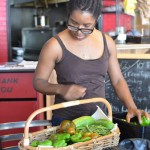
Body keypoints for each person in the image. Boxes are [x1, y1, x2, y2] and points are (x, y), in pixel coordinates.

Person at [33, 0, 149, 126]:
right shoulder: (54, 46)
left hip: (100, 121)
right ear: (68, 15)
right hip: (65, 122)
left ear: (97, 19)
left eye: (87, 26)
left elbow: (117, 80)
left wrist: (131, 107)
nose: (79, 32)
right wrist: (61, 89)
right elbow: (38, 81)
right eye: (73, 23)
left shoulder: (107, 42)